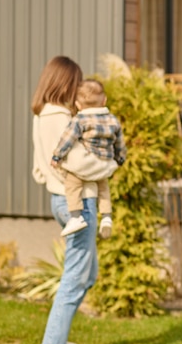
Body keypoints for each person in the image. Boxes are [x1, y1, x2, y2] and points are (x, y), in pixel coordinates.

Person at [32, 56, 115, 344]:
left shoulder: (42, 115)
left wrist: (54, 183)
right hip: (79, 203)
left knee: (87, 273)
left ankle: (54, 337)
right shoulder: (63, 117)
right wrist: (110, 165)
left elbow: (41, 167)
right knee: (76, 274)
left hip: (63, 200)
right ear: (65, 82)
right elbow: (78, 161)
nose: (78, 89)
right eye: (75, 82)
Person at [51, 79, 126, 237]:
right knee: (104, 189)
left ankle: (76, 217)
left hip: (88, 161)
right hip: (105, 163)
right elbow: (120, 143)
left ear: (77, 104)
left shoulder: (80, 120)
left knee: (73, 184)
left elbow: (67, 139)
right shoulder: (113, 120)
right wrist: (120, 159)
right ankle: (106, 217)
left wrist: (57, 156)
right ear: (104, 100)